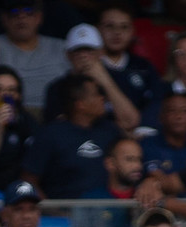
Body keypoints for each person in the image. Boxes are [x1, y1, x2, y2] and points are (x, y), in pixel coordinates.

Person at [25, 72, 124, 200]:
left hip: (110, 208)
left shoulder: (111, 131)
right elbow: (29, 179)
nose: (102, 98)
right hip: (63, 209)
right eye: (96, 94)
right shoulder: (51, 134)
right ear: (80, 104)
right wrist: (50, 209)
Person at [0, 0, 70, 108]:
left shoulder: (61, 47)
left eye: (28, 11)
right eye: (14, 12)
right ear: (4, 19)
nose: (21, 17)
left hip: (55, 113)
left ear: (39, 17)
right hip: (9, 111)